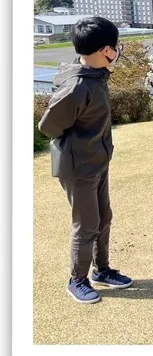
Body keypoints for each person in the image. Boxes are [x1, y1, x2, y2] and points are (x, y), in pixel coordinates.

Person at [37, 17, 133, 304]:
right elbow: (49, 126)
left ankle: (101, 271)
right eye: (115, 47)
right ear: (105, 50)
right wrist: (77, 145)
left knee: (104, 217)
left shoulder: (96, 76)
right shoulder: (78, 85)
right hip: (78, 167)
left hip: (97, 161)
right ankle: (76, 280)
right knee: (86, 224)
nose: (117, 52)